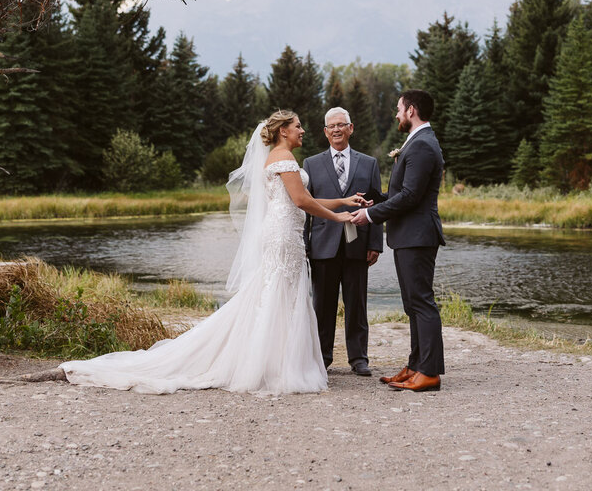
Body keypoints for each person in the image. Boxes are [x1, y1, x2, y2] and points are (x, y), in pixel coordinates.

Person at [60, 110, 369, 395]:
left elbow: (302, 198)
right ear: (283, 131)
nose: (303, 130)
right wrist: (339, 216)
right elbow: (302, 201)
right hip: (282, 236)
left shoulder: (279, 156)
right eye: (298, 126)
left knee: (278, 295)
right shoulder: (284, 158)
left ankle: (277, 361)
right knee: (279, 294)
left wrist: (343, 202)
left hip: (283, 233)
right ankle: (276, 366)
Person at [350, 89, 445, 392]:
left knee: (421, 303)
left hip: (417, 235)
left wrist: (372, 215)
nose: (396, 114)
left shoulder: (422, 145)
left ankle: (428, 373)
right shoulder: (418, 142)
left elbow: (412, 197)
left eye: (399, 109)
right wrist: (376, 199)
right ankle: (416, 365)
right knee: (412, 304)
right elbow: (403, 193)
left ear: (412, 110)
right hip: (410, 235)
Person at [303, 107, 384, 377]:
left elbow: (377, 205)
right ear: (325, 132)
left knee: (357, 304)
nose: (337, 130)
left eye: (342, 124)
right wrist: (304, 245)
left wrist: (375, 243)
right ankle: (322, 359)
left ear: (351, 128)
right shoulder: (311, 164)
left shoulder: (369, 163)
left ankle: (359, 359)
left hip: (358, 246)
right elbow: (305, 207)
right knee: (322, 306)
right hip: (323, 245)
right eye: (331, 126)